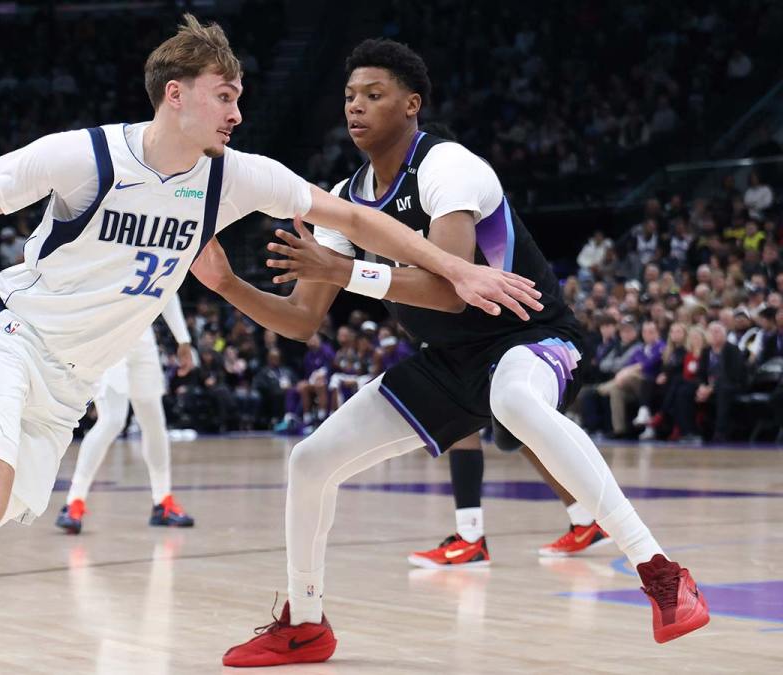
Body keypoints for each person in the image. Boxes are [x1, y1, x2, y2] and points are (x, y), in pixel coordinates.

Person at [0, 17, 536, 672]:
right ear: (177, 94)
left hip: (69, 386)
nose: (239, 110)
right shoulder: (80, 156)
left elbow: (354, 218)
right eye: (225, 95)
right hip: (8, 339)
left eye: (239, 97)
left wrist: (455, 273)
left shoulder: (238, 178)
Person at [196, 39, 707, 667]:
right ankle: (305, 623)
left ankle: (660, 570)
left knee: (514, 398)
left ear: (411, 105)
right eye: (350, 96)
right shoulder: (344, 198)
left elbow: (455, 288)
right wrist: (226, 285)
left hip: (529, 335)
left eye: (374, 95)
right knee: (310, 460)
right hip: (449, 362)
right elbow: (301, 320)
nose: (356, 107)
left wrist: (344, 271)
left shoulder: (447, 166)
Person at [55, 296, 196, 533]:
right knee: (112, 420)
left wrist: (183, 339)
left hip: (142, 336)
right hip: (108, 335)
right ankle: (74, 501)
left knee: (154, 422)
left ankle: (162, 501)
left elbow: (169, 287)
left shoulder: (167, 256)